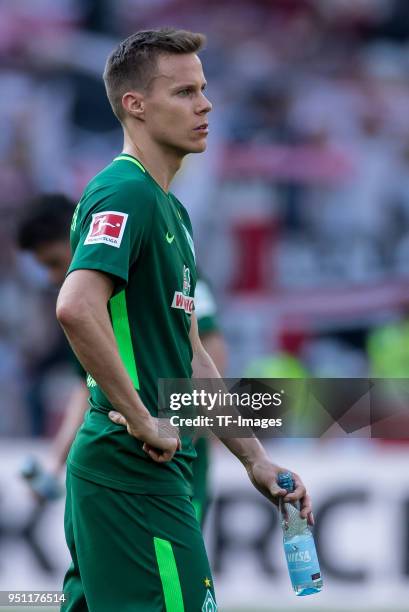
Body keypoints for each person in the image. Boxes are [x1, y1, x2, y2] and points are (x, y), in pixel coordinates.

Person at [55, 28, 313, 612]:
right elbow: (75, 305)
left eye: (204, 89)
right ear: (135, 105)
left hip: (137, 472)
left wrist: (255, 459)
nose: (206, 104)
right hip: (134, 469)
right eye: (185, 92)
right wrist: (144, 418)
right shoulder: (127, 193)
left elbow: (192, 355)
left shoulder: (170, 209)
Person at [17, 194, 226, 522]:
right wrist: (55, 463)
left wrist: (182, 428)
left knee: (173, 569)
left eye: (56, 262)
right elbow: (87, 386)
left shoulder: (165, 266)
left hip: (175, 459)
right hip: (124, 459)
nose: (54, 277)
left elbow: (209, 351)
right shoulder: (85, 305)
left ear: (81, 239)